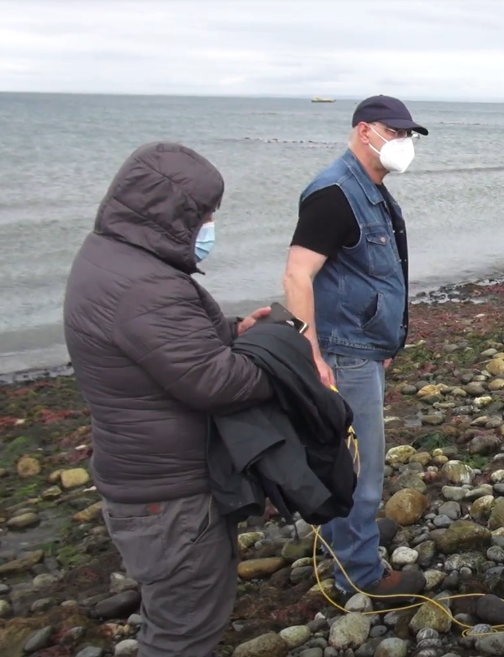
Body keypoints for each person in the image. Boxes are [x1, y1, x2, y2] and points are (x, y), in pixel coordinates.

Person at [62, 142, 276, 657]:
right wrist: (281, 361)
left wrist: (233, 329)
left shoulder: (112, 257)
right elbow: (214, 381)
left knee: (176, 618)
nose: (209, 227)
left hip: (145, 479)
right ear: (173, 212)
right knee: (183, 633)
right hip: (169, 498)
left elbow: (165, 344)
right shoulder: (146, 285)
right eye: (205, 216)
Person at [281, 95, 427, 600]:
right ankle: (360, 573)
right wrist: (312, 352)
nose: (404, 144)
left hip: (364, 347)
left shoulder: (372, 190)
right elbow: (298, 274)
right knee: (363, 467)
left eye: (409, 135)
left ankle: (351, 545)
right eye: (396, 133)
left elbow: (367, 274)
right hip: (345, 353)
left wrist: (382, 336)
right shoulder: (335, 194)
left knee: (360, 461)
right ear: (365, 131)